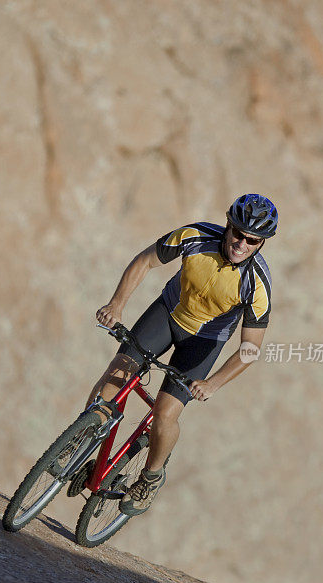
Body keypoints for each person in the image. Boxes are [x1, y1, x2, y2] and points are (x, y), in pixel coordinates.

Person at [86, 193, 277, 517]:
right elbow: (145, 260)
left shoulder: (257, 284)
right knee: (117, 374)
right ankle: (80, 441)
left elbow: (250, 349)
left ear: (261, 243)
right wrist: (117, 303)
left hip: (203, 343)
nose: (242, 244)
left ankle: (151, 475)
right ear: (228, 225)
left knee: (165, 414)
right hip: (167, 314)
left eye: (252, 240)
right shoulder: (195, 236)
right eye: (238, 233)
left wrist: (214, 383)